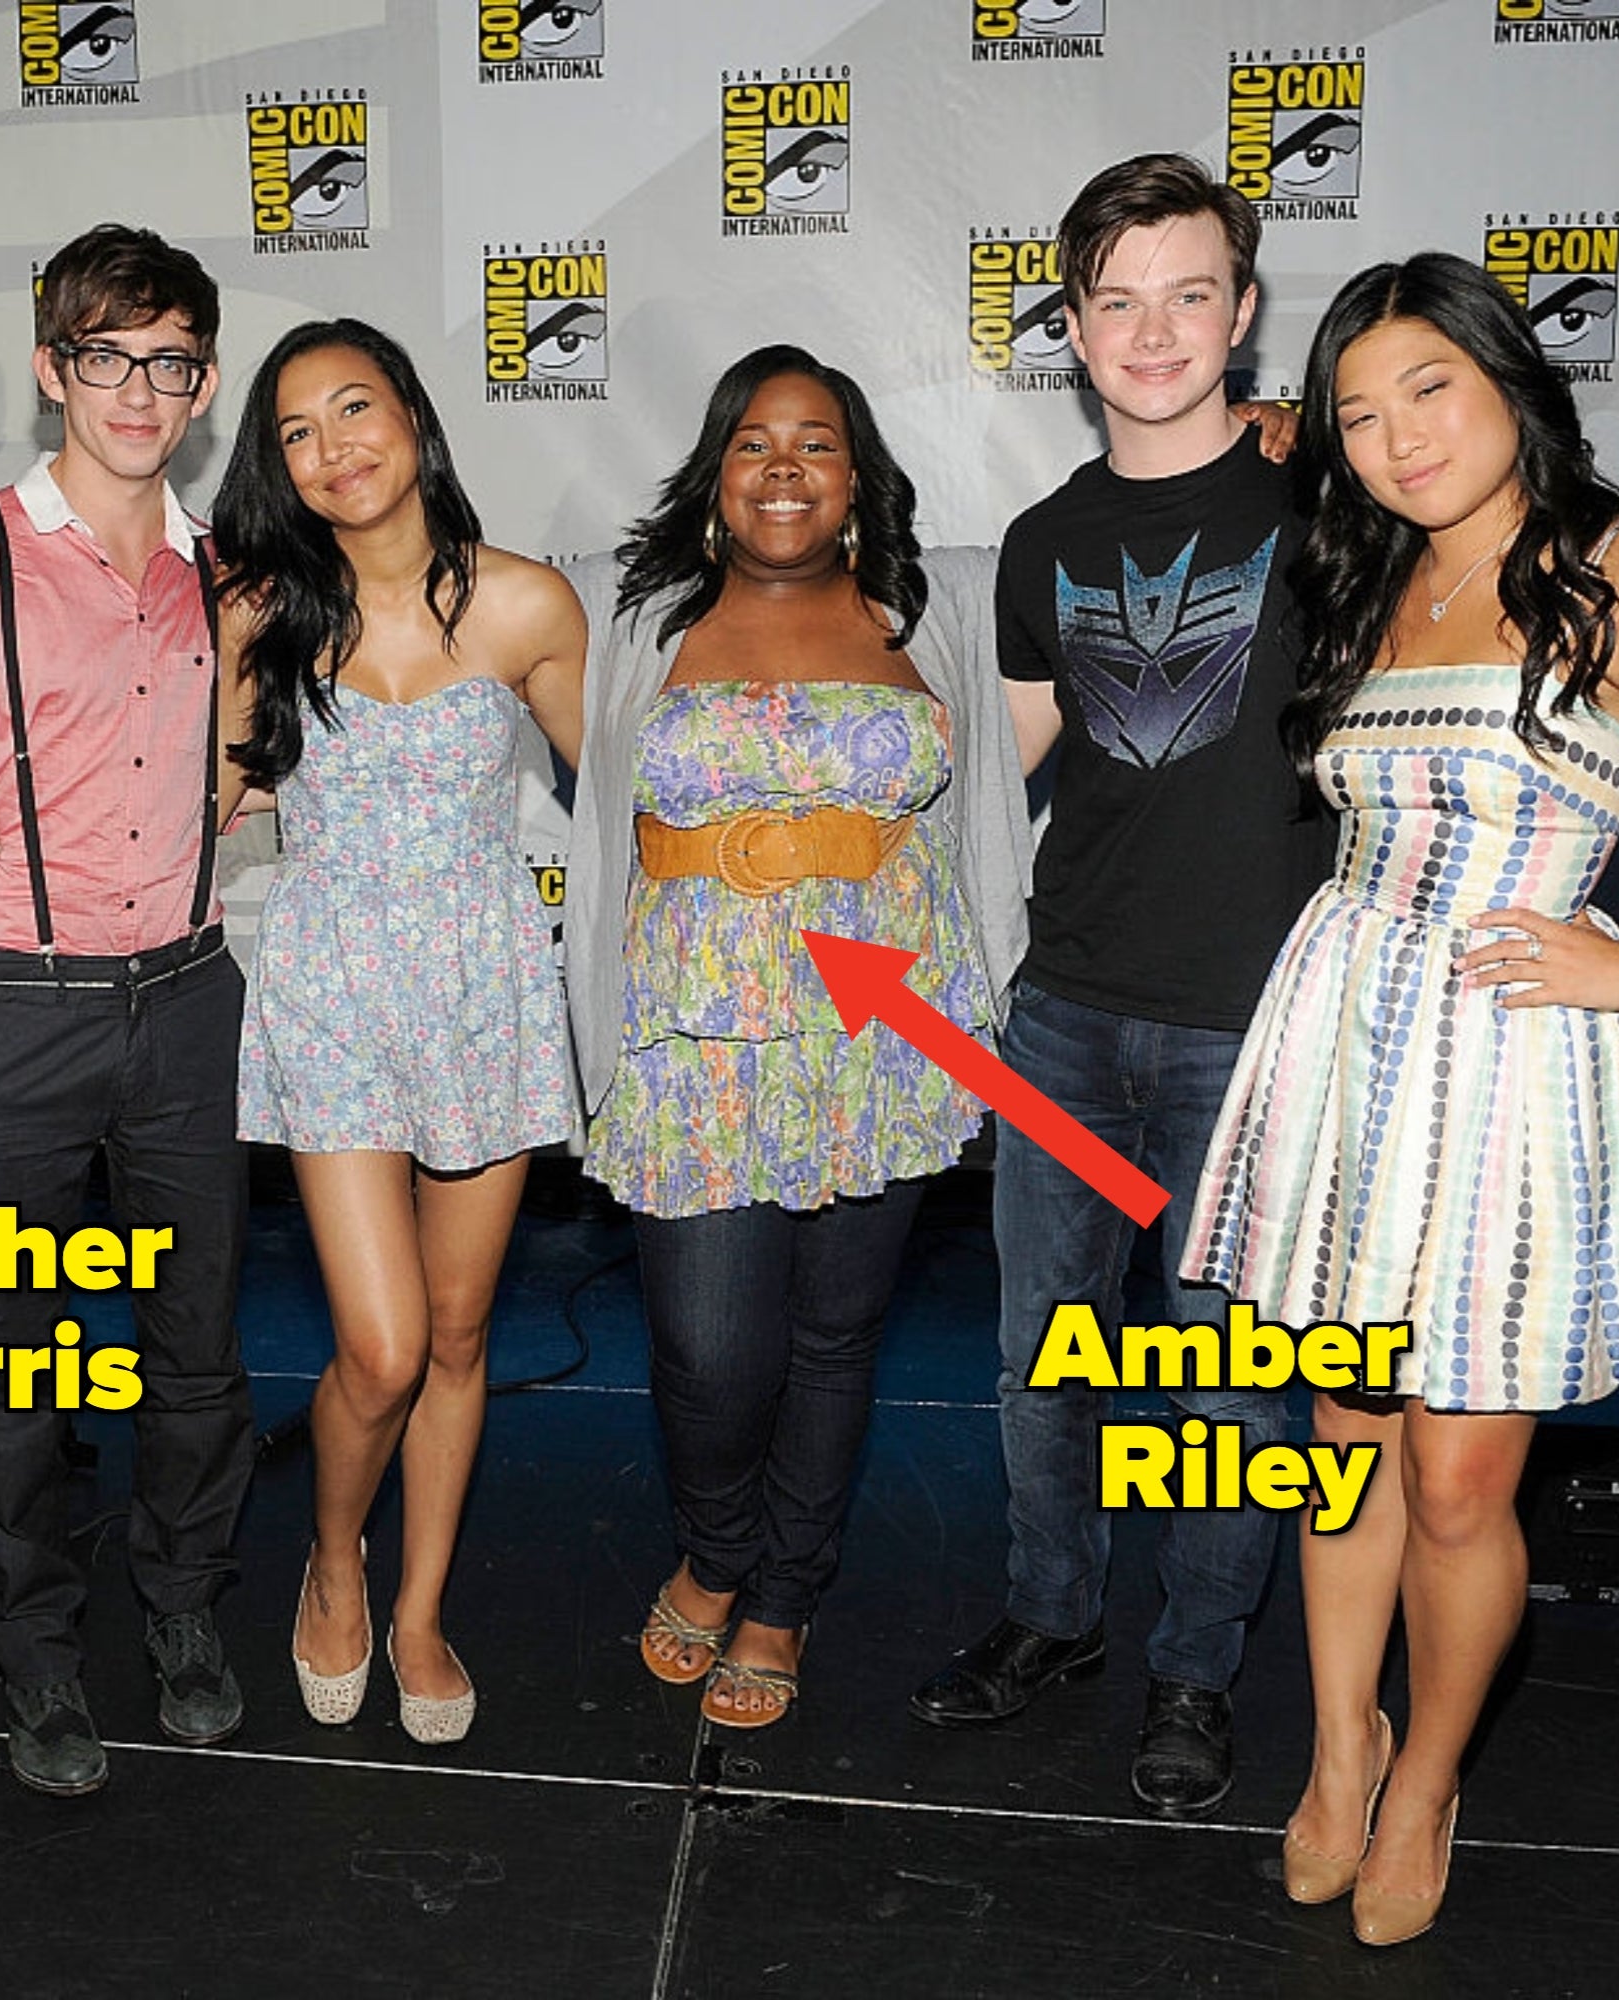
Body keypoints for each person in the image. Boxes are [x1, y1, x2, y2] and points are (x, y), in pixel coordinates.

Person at [1185, 251, 1619, 1944]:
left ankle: (1428, 1779)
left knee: (1456, 1484)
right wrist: (1276, 418)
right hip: (1344, 1040)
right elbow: (1263, 436)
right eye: (1359, 413)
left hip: (1510, 1066)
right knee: (1341, 1449)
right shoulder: (1367, 572)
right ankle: (1340, 1748)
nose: (1397, 437)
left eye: (1429, 388)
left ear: (1511, 381)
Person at [910, 153, 1328, 1822]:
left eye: (1188, 295)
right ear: (1073, 331)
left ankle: (1194, 1670)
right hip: (1064, 1018)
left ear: (1241, 311)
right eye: (1117, 301)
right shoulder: (1042, 542)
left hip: (1254, 1026)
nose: (1153, 332)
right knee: (1045, 1354)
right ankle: (1052, 1613)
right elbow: (1006, 774)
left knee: (1232, 1379)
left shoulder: (1330, 509)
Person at [563, 345, 1035, 1730]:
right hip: (691, 1035)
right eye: (754, 442)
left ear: (858, 475)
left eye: (816, 442)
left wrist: (1264, 446)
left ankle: (781, 1595)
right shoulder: (628, 610)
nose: (785, 469)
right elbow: (439, 592)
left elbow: (1117, 547)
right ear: (714, 473)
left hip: (881, 1024)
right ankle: (718, 1549)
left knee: (835, 1338)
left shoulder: (937, 602)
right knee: (710, 1349)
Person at [0, 225, 254, 1795]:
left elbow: (240, 769)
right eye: (106, 356)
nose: (137, 390)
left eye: (169, 362)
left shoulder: (227, 572)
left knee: (196, 1350)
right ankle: (34, 1650)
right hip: (10, 1010)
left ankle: (182, 1609)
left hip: (184, 997)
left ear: (204, 386)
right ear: (52, 369)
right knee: (12, 1365)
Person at [212, 319, 585, 1744]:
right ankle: (332, 1557)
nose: (332, 449)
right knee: (378, 1349)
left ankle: (420, 1607)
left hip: (482, 985)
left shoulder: (527, 602)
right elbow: (202, 802)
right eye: (297, 432)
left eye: (354, 409)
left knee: (459, 1331)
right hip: (331, 989)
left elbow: (629, 797)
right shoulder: (268, 614)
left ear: (414, 419)